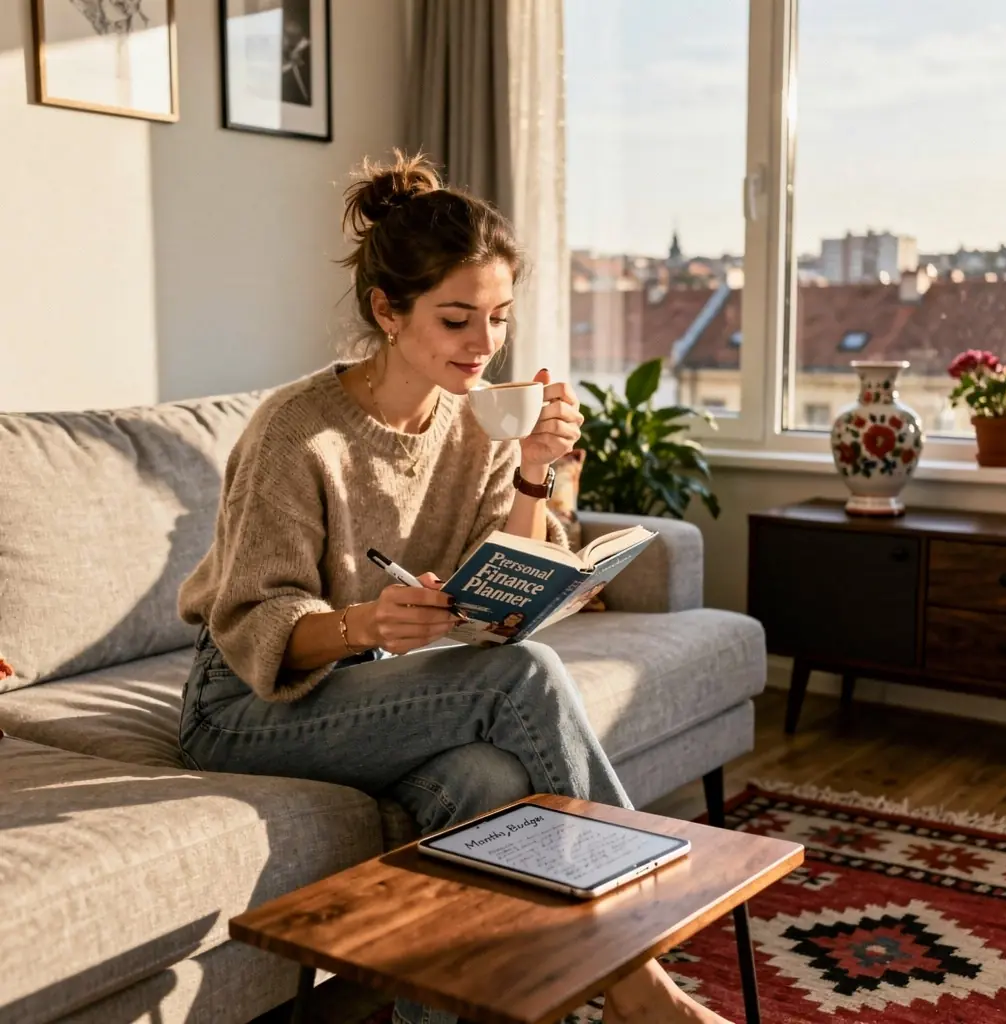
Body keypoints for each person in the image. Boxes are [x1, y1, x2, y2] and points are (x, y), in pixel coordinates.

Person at [177, 151, 732, 1024]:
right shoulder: (298, 433)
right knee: (529, 679)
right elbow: (257, 622)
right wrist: (364, 624)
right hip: (242, 706)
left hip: (370, 691)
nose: (485, 346)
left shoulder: (479, 429)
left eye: (500, 318)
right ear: (386, 313)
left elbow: (499, 610)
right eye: (458, 319)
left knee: (480, 782)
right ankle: (643, 974)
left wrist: (535, 476)